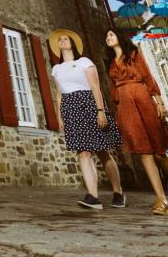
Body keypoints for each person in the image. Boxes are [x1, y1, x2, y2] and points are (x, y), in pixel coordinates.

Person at [104, 30, 168, 216]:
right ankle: (161, 199)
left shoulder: (134, 54)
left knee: (159, 153)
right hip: (125, 106)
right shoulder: (111, 64)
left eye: (111, 35)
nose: (108, 38)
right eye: (107, 37)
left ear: (120, 36)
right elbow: (113, 92)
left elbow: (148, 77)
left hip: (142, 100)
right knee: (143, 152)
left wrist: (159, 102)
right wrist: (118, 114)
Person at [48, 28, 125, 211]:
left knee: (102, 151)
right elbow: (58, 95)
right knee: (83, 152)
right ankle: (93, 196)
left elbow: (94, 86)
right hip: (70, 107)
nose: (63, 41)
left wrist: (101, 111)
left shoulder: (84, 61)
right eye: (60, 40)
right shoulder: (56, 69)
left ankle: (118, 191)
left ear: (73, 44)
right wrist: (60, 118)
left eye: (66, 39)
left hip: (89, 103)